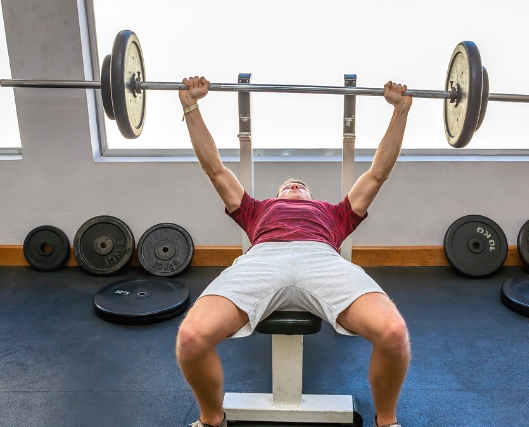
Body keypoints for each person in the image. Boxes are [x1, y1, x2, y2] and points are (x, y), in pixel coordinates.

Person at [176, 76, 412, 427]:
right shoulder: (257, 209)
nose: (295, 184)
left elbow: (378, 173)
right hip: (263, 260)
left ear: (313, 198)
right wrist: (190, 105)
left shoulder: (334, 213)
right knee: (192, 339)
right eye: (288, 184)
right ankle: (212, 419)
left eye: (301, 184)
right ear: (277, 195)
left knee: (393, 334)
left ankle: (387, 421)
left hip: (322, 260)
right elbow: (215, 168)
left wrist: (401, 112)